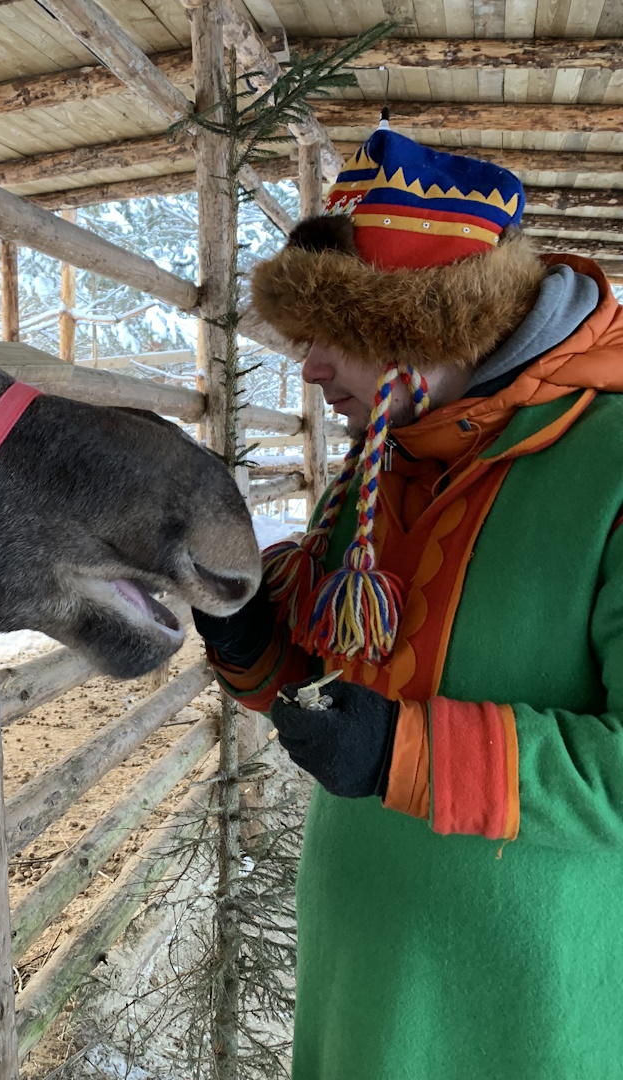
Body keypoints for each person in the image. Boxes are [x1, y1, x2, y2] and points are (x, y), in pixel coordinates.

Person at [194, 127, 623, 1079]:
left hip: (524, 1013)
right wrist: (240, 625)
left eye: (331, 333)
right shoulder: (381, 466)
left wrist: (408, 753)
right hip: (362, 979)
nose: (307, 368)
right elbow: (312, 683)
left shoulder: (613, 461)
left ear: (427, 323)